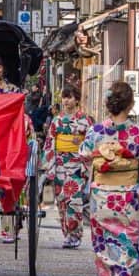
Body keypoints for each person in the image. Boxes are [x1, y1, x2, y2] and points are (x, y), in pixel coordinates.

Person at [79, 81, 139, 276]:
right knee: (125, 256)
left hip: (102, 200)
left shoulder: (96, 131)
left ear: (108, 105)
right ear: (131, 104)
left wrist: (103, 160)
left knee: (104, 256)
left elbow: (83, 155)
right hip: (128, 201)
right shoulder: (137, 134)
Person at [42, 86, 93, 248]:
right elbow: (50, 143)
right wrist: (50, 166)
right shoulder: (57, 120)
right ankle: (67, 234)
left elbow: (91, 142)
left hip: (78, 164)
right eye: (64, 97)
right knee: (62, 200)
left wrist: (82, 146)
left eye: (70, 97)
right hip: (59, 164)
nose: (66, 100)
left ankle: (75, 235)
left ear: (77, 99)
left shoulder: (85, 120)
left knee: (74, 200)